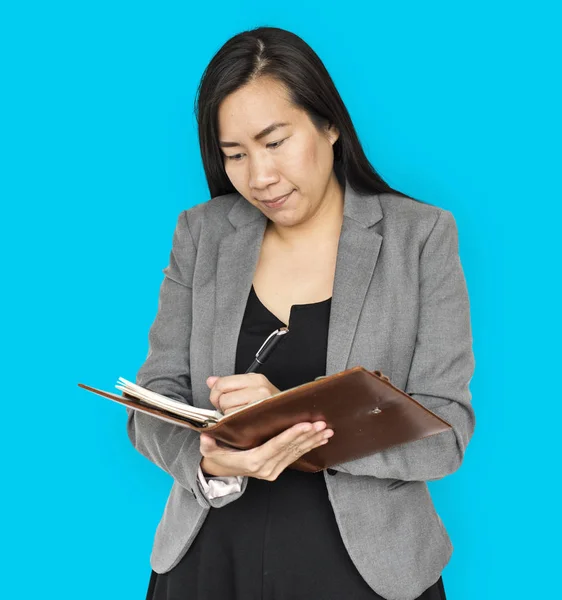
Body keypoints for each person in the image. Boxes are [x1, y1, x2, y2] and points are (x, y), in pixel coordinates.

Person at [127, 26, 475, 600]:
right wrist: (212, 463)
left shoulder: (420, 237)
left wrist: (294, 427)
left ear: (330, 123)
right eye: (234, 154)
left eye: (275, 141)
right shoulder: (201, 233)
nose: (258, 177)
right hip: (210, 564)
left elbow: (445, 433)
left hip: (366, 573)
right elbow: (153, 402)